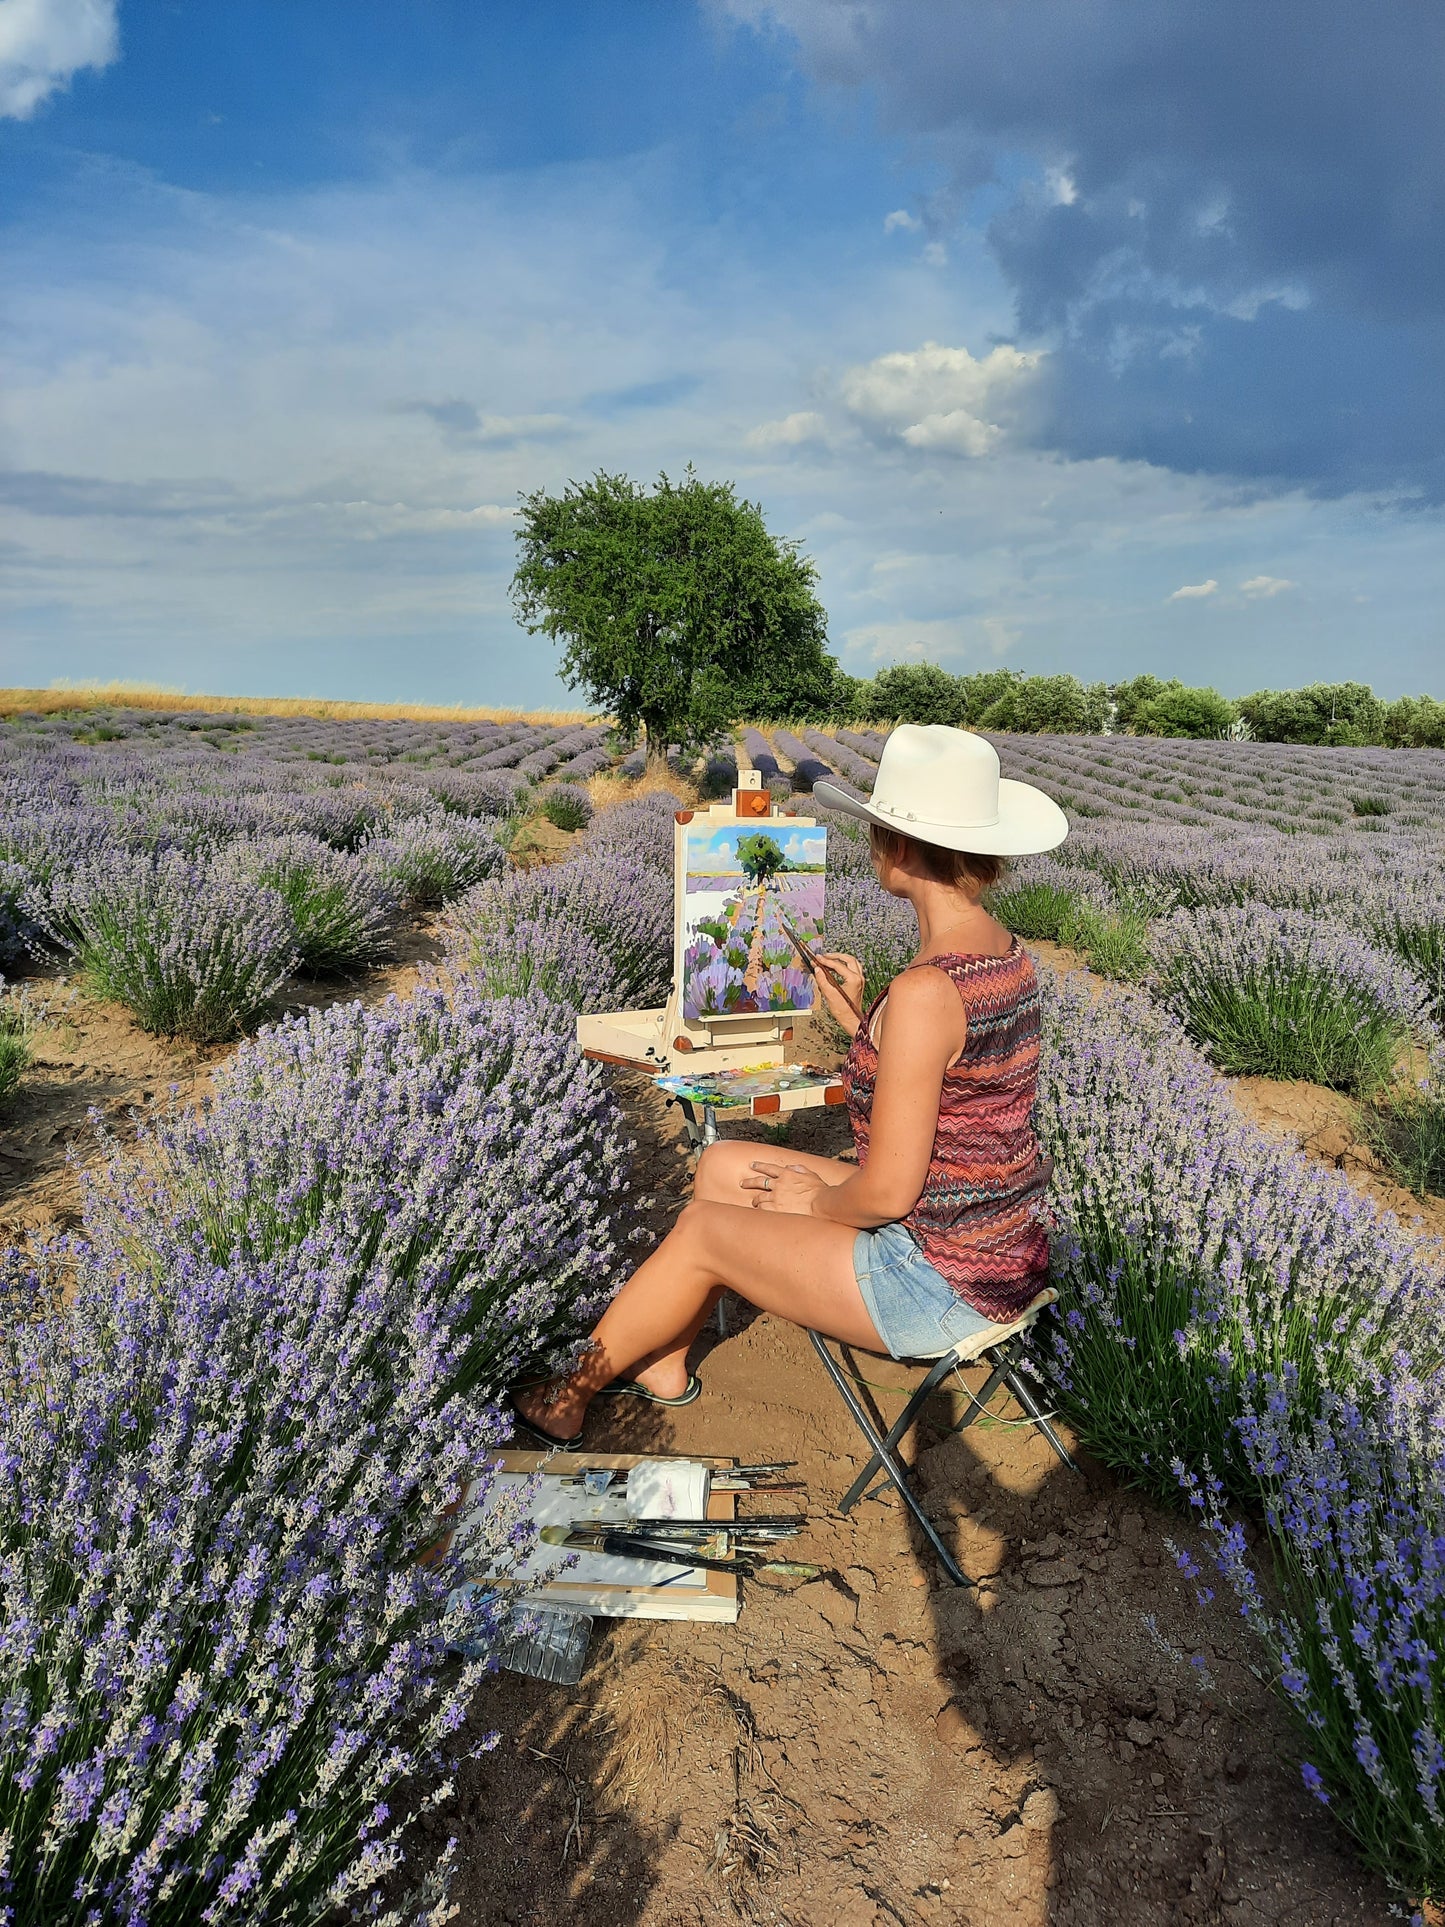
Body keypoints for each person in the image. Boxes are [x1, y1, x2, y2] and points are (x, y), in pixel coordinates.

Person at [511, 723, 1070, 1447]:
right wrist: (864, 1023)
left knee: (703, 1229)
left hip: (935, 1279)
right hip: (989, 1243)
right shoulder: (1005, 956)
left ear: (896, 847)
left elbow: (887, 1193)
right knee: (721, 1164)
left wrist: (819, 1200)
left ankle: (566, 1396)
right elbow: (953, 1087)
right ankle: (663, 1362)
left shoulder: (928, 991)